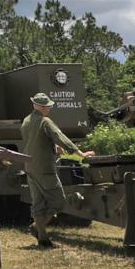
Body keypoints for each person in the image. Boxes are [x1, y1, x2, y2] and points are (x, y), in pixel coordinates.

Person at [21, 92, 94, 247]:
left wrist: (53, 148)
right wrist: (80, 153)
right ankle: (37, 227)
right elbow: (60, 136)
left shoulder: (26, 121)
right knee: (59, 201)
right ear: (39, 106)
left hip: (30, 166)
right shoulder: (45, 121)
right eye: (47, 106)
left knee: (38, 203)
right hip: (44, 168)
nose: (49, 108)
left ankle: (42, 237)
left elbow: (35, 141)